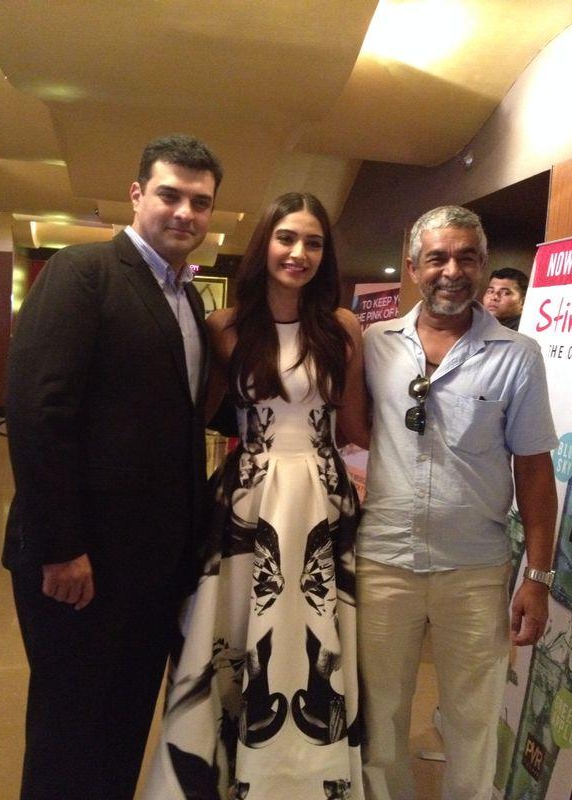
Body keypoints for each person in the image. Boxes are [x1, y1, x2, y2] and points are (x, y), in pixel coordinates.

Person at [4, 134, 223, 800]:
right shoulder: (84, 272)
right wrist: (61, 547)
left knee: (123, 726)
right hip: (81, 566)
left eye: (201, 201)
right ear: (137, 195)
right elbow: (40, 414)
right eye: (170, 194)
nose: (185, 211)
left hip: (152, 568)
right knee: (69, 732)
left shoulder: (188, 302)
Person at [143, 192, 369, 800]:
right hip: (248, 498)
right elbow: (198, 414)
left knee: (317, 638)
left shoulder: (344, 328)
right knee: (238, 637)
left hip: (323, 499)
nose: (299, 253)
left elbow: (356, 431)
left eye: (313, 243)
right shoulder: (227, 325)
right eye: (286, 238)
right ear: (264, 243)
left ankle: (306, 777)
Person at [356, 206, 558, 800]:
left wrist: (537, 577)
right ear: (414, 268)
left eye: (467, 257)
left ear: (484, 265)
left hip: (475, 569)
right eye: (438, 258)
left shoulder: (517, 355)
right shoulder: (374, 346)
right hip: (383, 563)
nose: (453, 270)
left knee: (473, 723)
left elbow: (535, 471)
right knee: (380, 720)